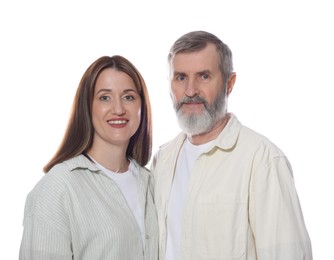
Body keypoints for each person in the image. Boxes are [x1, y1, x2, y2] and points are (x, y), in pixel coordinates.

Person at [152, 31, 312, 260]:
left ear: (229, 83)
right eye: (180, 77)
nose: (190, 90)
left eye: (204, 76)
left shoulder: (262, 160)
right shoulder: (162, 160)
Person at [19, 55, 158, 259]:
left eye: (128, 97)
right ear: (87, 106)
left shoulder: (153, 183)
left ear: (141, 106)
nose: (118, 109)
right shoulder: (58, 188)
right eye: (104, 97)